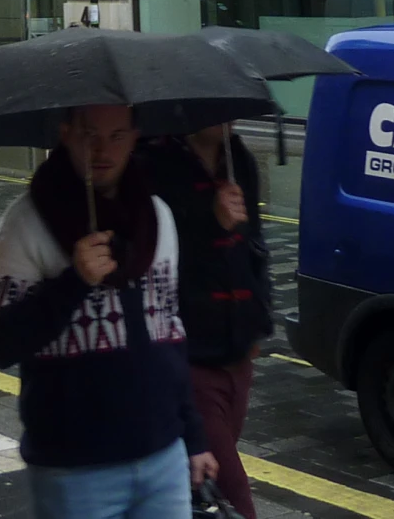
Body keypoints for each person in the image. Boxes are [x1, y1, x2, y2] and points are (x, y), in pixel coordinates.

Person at [0, 104, 213, 518]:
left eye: (117, 135)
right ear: (66, 133)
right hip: (75, 471)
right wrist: (75, 281)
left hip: (164, 458)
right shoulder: (26, 223)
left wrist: (194, 437)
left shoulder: (157, 218)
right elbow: (1, 342)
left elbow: (170, 332)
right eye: (90, 135)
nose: (103, 149)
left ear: (134, 137)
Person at [144, 124, 272, 519]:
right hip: (191, 354)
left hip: (237, 350)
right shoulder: (153, 164)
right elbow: (154, 256)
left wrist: (258, 316)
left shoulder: (239, 160)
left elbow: (255, 245)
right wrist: (208, 219)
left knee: (202, 481)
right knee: (233, 494)